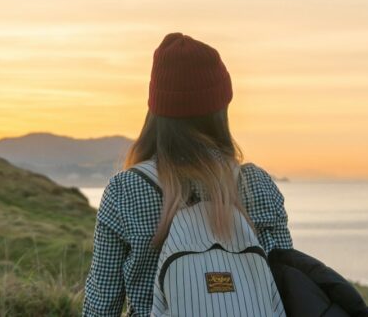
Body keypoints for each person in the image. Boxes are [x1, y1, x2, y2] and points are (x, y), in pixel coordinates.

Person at [83, 32, 293, 317]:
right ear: (221, 109)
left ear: (156, 110)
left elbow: (101, 307)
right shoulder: (257, 187)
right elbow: (288, 292)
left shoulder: (126, 191)